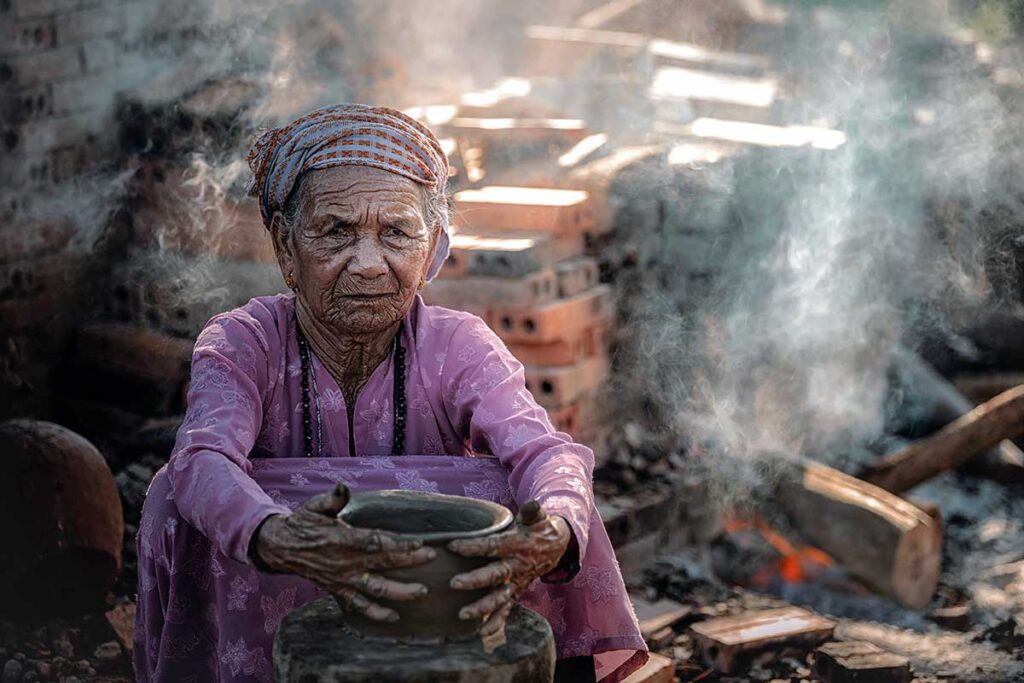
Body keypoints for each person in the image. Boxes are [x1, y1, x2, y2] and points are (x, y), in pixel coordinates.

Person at [134, 104, 646, 682]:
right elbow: (202, 457)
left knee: (539, 506)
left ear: (431, 250)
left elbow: (544, 452)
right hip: (277, 573)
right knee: (177, 501)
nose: (370, 265)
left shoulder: (457, 343)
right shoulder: (242, 341)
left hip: (446, 618)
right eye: (335, 231)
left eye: (398, 233)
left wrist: (551, 530)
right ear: (284, 247)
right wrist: (275, 537)